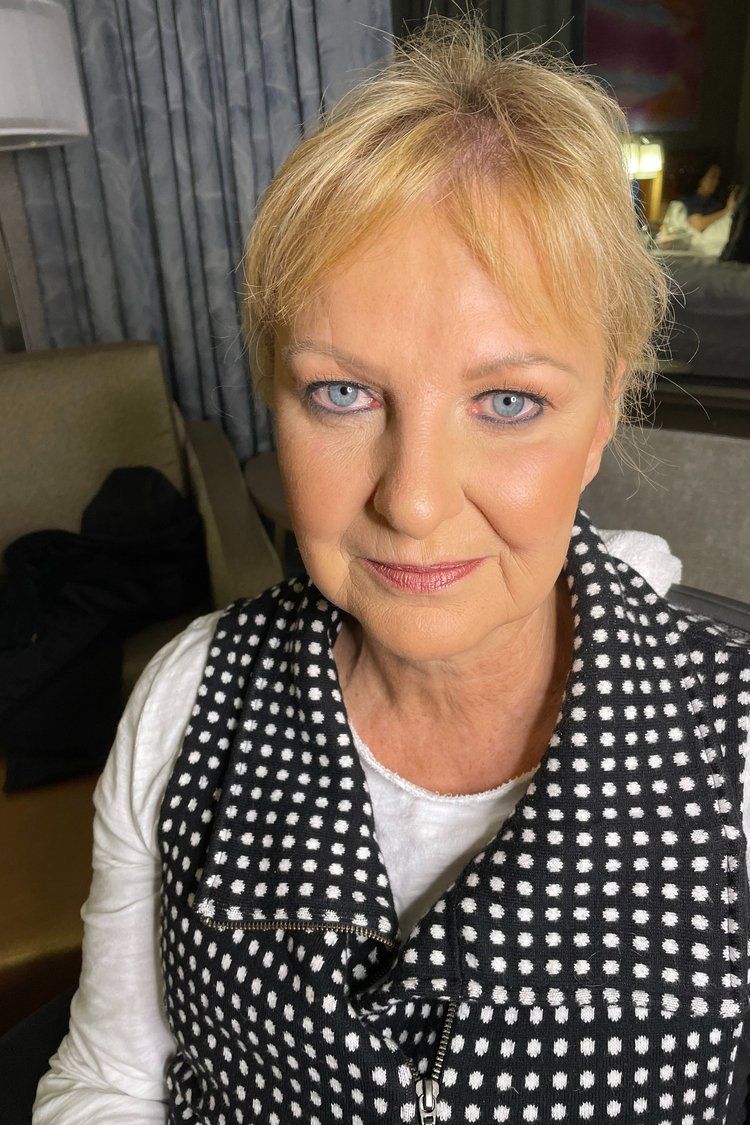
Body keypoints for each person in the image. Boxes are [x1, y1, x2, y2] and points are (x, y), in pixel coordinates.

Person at [33, 13, 750, 1124]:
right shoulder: (186, 701)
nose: (411, 500)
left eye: (507, 403)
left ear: (606, 407)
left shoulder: (733, 750)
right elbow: (112, 1078)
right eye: (341, 394)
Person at [681, 162, 739, 233]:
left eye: (718, 178)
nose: (716, 182)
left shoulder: (715, 203)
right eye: (713, 176)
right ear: (701, 178)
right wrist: (727, 210)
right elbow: (697, 224)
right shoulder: (690, 199)